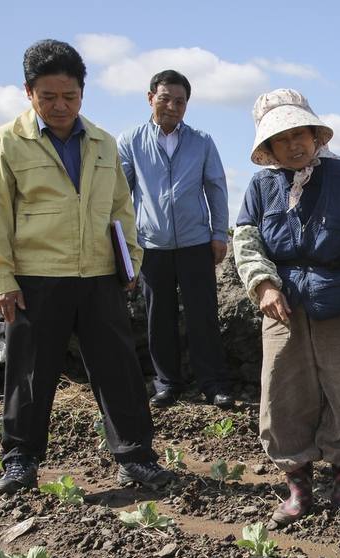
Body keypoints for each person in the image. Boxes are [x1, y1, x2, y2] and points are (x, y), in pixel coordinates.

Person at [0, 39, 173, 494]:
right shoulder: (6, 143)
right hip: (35, 278)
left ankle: (135, 458)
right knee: (29, 372)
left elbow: (122, 209)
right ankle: (21, 460)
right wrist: (1, 278)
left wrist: (131, 261)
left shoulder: (103, 142)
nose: (60, 106)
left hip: (99, 276)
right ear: (29, 93)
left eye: (69, 96)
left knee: (119, 369)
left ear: (83, 93)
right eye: (48, 97)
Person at [233, 89, 340, 524]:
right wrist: (265, 286)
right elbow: (246, 243)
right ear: (267, 148)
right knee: (282, 394)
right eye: (282, 139)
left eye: (301, 133)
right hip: (282, 307)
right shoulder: (260, 187)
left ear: (315, 135)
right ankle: (298, 487)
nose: (294, 144)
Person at [117, 70, 233, 409]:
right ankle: (167, 383)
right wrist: (127, 245)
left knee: (204, 315)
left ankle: (212, 384)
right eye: (165, 98)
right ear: (150, 98)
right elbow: (122, 196)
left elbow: (216, 187)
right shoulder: (131, 141)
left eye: (180, 101)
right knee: (158, 317)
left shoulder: (202, 141)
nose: (172, 106)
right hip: (151, 245)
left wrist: (218, 233)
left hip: (196, 243)